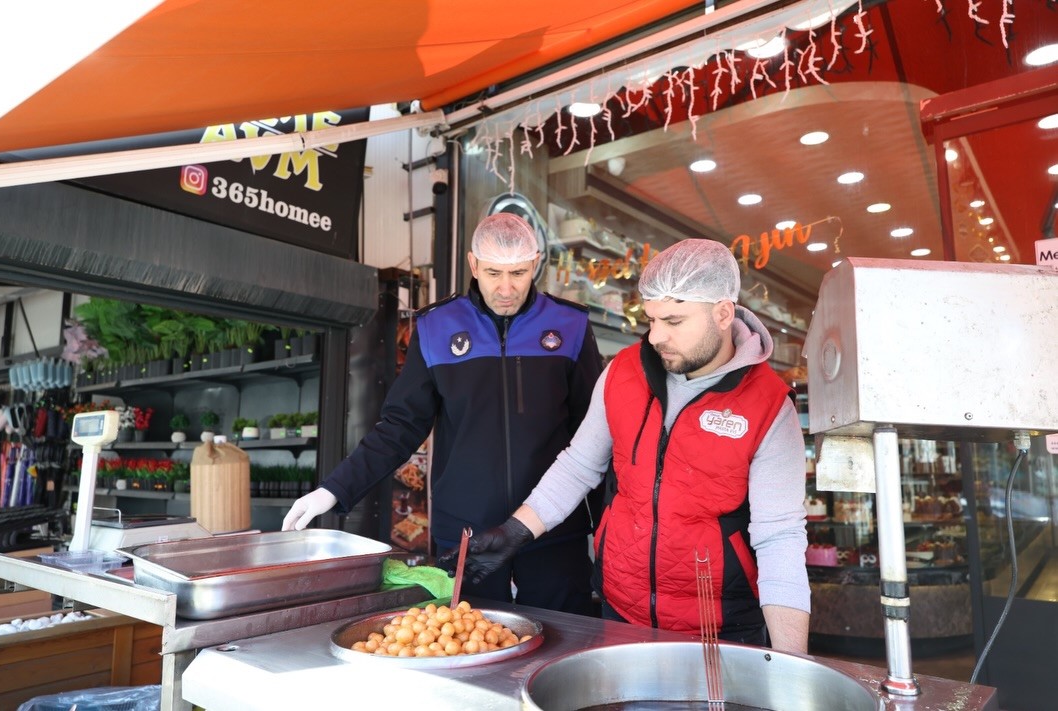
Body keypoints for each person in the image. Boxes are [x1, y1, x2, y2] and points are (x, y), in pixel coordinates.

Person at [455, 238, 810, 653]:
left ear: (722, 314)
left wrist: (792, 664)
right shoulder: (623, 372)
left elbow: (779, 538)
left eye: (674, 321)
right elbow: (578, 466)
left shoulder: (768, 405)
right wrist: (516, 531)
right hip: (620, 612)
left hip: (720, 629)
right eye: (651, 318)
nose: (656, 336)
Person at [282, 212, 603, 616]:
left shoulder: (570, 325)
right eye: (493, 273)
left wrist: (608, 526)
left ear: (536, 263)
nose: (506, 288)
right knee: (469, 639)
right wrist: (334, 489)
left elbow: (596, 436)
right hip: (467, 533)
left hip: (553, 530)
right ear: (473, 264)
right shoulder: (437, 326)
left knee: (567, 638)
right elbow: (400, 425)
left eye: (519, 273)